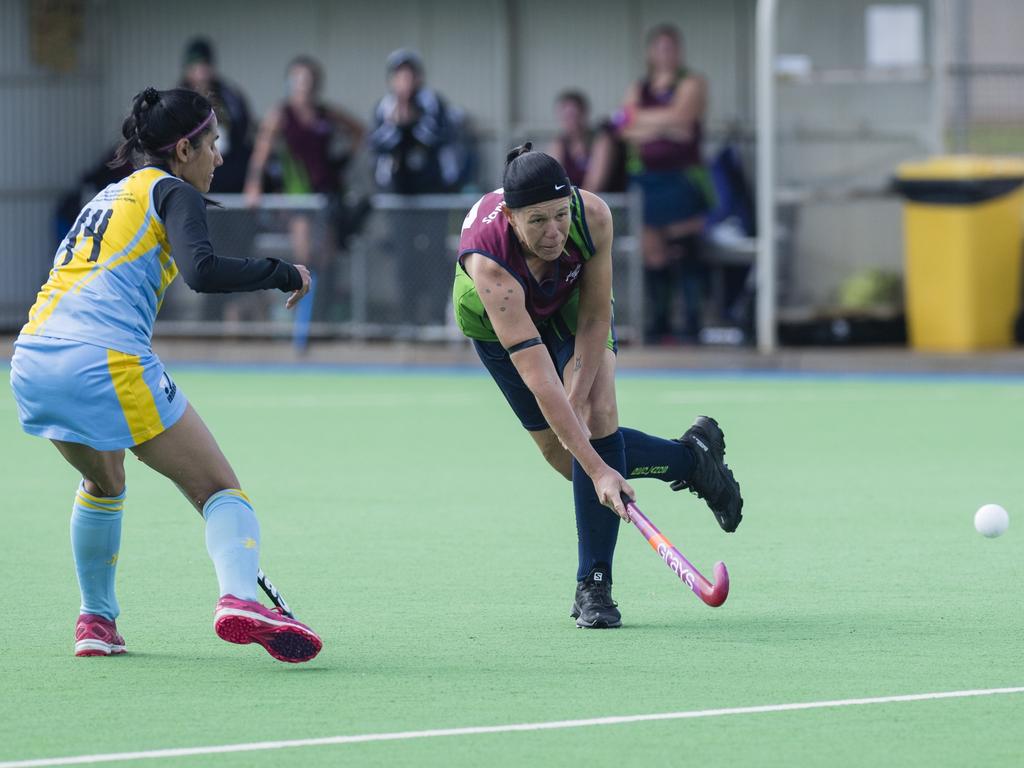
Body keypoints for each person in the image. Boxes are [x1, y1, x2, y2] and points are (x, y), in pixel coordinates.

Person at [9, 87, 321, 662]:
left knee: (104, 482)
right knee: (220, 492)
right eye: (213, 145)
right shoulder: (172, 190)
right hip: (102, 358)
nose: (219, 158)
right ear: (183, 149)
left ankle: (96, 623)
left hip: (33, 358)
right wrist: (283, 272)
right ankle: (238, 599)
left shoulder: (109, 194)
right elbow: (200, 272)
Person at [452, 144, 743, 629]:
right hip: (495, 325)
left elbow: (593, 317)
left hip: (569, 306)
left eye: (560, 216)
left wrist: (582, 400)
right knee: (570, 462)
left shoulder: (593, 218)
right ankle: (692, 459)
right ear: (509, 216)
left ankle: (594, 584)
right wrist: (595, 466)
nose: (554, 233)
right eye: (538, 221)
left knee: (598, 411)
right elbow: (539, 377)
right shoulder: (491, 267)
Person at [244, 56, 365, 319]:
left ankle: (320, 319)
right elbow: (261, 153)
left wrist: (342, 161)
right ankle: (299, 320)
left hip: (326, 198)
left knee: (327, 259)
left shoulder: (325, 114)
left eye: (308, 80)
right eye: (298, 80)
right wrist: (253, 184)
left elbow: (358, 131)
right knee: (305, 258)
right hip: (298, 201)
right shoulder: (281, 115)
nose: (303, 86)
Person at [616, 24, 715, 342]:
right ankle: (660, 321)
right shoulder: (639, 86)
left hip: (681, 176)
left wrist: (645, 121)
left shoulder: (692, 82)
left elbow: (684, 120)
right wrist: (665, 123)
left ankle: (692, 321)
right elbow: (624, 124)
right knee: (653, 251)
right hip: (647, 179)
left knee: (685, 248)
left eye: (670, 47)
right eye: (659, 48)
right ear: (650, 53)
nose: (665, 54)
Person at [369, 49, 462, 326]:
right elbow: (379, 142)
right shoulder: (384, 107)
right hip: (399, 196)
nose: (405, 81)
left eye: (410, 74)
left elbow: (434, 138)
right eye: (399, 75)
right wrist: (400, 126)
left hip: (431, 194)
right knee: (404, 258)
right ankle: (407, 320)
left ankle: (435, 318)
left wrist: (409, 125)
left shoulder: (433, 103)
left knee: (434, 255)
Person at [179, 37, 253, 193]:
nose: (201, 71)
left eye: (204, 65)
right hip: (191, 166)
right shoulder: (178, 98)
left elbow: (243, 129)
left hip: (225, 165)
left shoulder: (229, 96)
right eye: (195, 66)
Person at [547, 90, 627, 193]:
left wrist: (573, 205)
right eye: (564, 116)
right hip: (572, 202)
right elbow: (554, 182)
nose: (569, 120)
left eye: (572, 115)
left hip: (604, 203)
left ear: (584, 113)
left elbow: (593, 186)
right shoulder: (558, 144)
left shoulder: (601, 141)